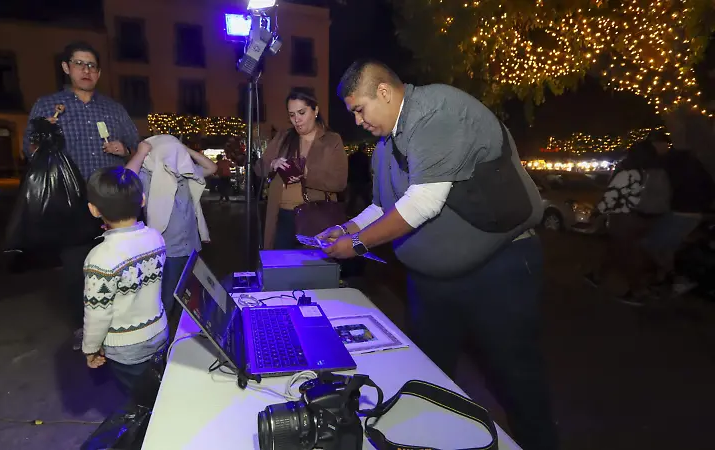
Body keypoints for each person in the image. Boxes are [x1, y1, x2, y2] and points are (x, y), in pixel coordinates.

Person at [317, 60, 556, 450]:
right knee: (428, 380)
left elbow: (423, 203)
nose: (358, 120)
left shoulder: (437, 112)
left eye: (359, 109)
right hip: (433, 285)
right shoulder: (385, 144)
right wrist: (345, 229)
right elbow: (381, 207)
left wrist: (358, 245)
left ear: (384, 91)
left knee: (516, 380)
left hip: (497, 271)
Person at [23, 41, 140, 349]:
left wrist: (123, 149)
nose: (86, 71)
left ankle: (119, 321)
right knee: (77, 268)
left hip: (110, 203)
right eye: (79, 64)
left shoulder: (113, 110)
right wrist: (44, 137)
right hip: (70, 203)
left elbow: (136, 145)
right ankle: (84, 326)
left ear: (99, 72)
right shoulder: (48, 106)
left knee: (116, 265)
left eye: (91, 66)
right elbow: (29, 151)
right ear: (67, 68)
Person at [81, 166, 168, 392]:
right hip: (159, 331)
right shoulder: (155, 237)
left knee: (141, 397)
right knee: (158, 386)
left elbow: (98, 312)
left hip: (126, 345)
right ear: (142, 200)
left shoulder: (100, 258)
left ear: (93, 209)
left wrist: (90, 348)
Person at [125, 138, 216, 320]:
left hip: (190, 246)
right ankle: (160, 336)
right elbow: (126, 178)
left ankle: (180, 332)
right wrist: (141, 153)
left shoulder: (186, 173)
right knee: (165, 298)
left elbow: (211, 168)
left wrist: (186, 149)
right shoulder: (148, 175)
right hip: (168, 249)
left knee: (188, 295)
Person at [258, 90, 348, 250]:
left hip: (316, 218)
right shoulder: (283, 137)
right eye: (291, 115)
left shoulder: (332, 140)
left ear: (316, 110)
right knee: (281, 268)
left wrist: (307, 174)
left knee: (312, 270)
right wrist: (273, 164)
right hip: (282, 216)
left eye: (301, 112)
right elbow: (259, 168)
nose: (296, 120)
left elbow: (339, 182)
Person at [585, 140, 663, 305]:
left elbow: (611, 196)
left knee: (626, 256)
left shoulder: (627, 172)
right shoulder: (651, 172)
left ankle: (638, 291)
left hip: (624, 219)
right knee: (617, 249)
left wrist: (597, 212)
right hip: (646, 218)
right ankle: (597, 275)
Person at [642, 131, 715, 295]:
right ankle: (664, 279)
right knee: (666, 248)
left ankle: (678, 279)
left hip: (682, 212)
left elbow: (661, 189)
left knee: (652, 244)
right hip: (690, 211)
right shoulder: (689, 162)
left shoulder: (668, 162)